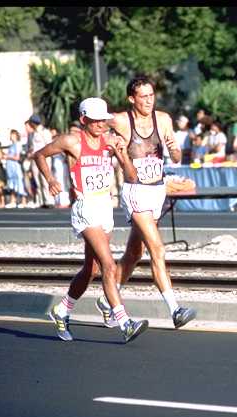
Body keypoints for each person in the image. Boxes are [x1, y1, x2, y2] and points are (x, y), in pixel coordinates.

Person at [34, 97, 149, 343]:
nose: (101, 125)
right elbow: (39, 155)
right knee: (109, 265)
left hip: (105, 207)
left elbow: (131, 177)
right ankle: (124, 322)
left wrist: (121, 154)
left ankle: (62, 310)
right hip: (85, 209)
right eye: (95, 121)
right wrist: (51, 180)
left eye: (104, 121)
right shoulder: (71, 141)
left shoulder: (110, 142)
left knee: (92, 269)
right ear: (84, 120)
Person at [96, 76, 197, 330]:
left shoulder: (162, 120)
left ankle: (108, 301)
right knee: (157, 249)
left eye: (151, 95)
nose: (149, 100)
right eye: (143, 96)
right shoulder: (120, 120)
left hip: (157, 191)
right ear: (132, 98)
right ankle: (175, 310)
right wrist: (109, 145)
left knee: (134, 253)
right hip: (135, 192)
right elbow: (94, 127)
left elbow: (175, 156)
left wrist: (174, 149)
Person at [25, 114, 55, 208]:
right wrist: (29, 153)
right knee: (37, 180)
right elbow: (30, 147)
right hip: (34, 159)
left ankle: (49, 201)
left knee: (45, 180)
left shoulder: (44, 132)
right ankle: (41, 201)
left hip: (44, 158)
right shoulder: (32, 134)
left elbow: (50, 145)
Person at [3, 129, 28, 208]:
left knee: (19, 182)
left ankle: (24, 201)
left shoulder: (18, 145)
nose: (12, 136)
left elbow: (17, 157)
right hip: (10, 167)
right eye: (11, 135)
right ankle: (12, 201)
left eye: (13, 135)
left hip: (15, 166)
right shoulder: (11, 145)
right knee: (11, 184)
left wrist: (7, 157)